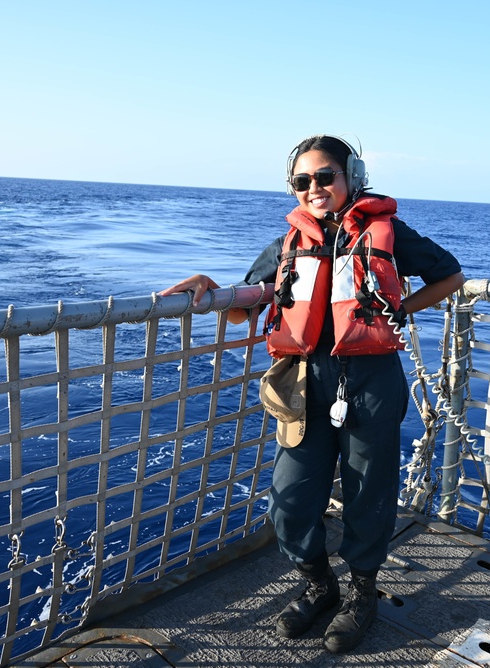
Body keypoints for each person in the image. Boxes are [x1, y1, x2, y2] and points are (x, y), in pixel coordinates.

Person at [160, 135, 464, 653]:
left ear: (353, 177)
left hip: (371, 379)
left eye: (325, 176)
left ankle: (362, 592)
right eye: (302, 180)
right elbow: (244, 310)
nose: (314, 188)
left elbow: (450, 276)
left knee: (368, 495)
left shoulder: (387, 231)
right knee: (291, 499)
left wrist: (399, 311)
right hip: (304, 381)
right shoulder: (289, 241)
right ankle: (320, 584)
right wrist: (209, 289)